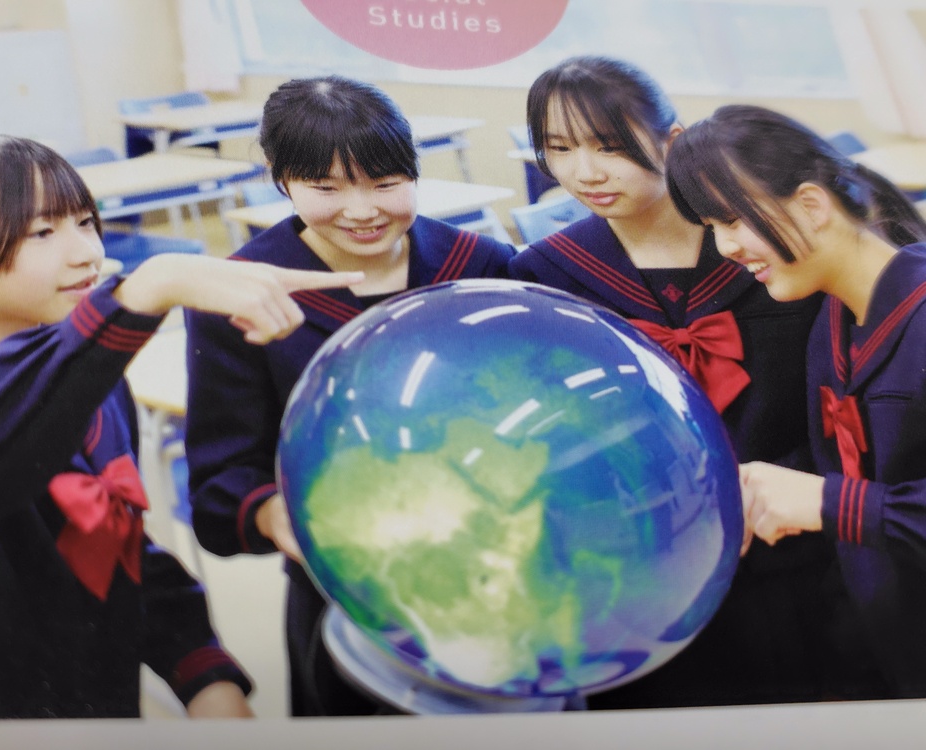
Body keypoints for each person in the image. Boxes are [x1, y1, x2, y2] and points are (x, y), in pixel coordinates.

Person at [0, 132, 363, 719]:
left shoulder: (98, 379)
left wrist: (203, 675)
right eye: (43, 232)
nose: (86, 253)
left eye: (86, 222)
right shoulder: (69, 368)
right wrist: (143, 293)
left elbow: (115, 540)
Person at [184, 75, 516, 716]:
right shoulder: (241, 295)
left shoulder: (482, 268)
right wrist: (272, 514)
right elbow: (220, 482)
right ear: (281, 180)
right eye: (327, 188)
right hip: (345, 586)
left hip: (499, 569)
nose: (362, 210)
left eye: (386, 183)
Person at [508, 56, 828, 708]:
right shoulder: (547, 275)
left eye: (609, 146)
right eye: (560, 149)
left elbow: (832, 405)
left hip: (793, 546)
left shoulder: (763, 251)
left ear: (673, 140)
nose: (585, 173)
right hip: (643, 563)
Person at [666, 103, 926, 699]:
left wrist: (831, 503)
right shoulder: (831, 321)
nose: (725, 246)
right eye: (711, 226)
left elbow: (851, 498)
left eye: (733, 219)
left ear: (812, 204)